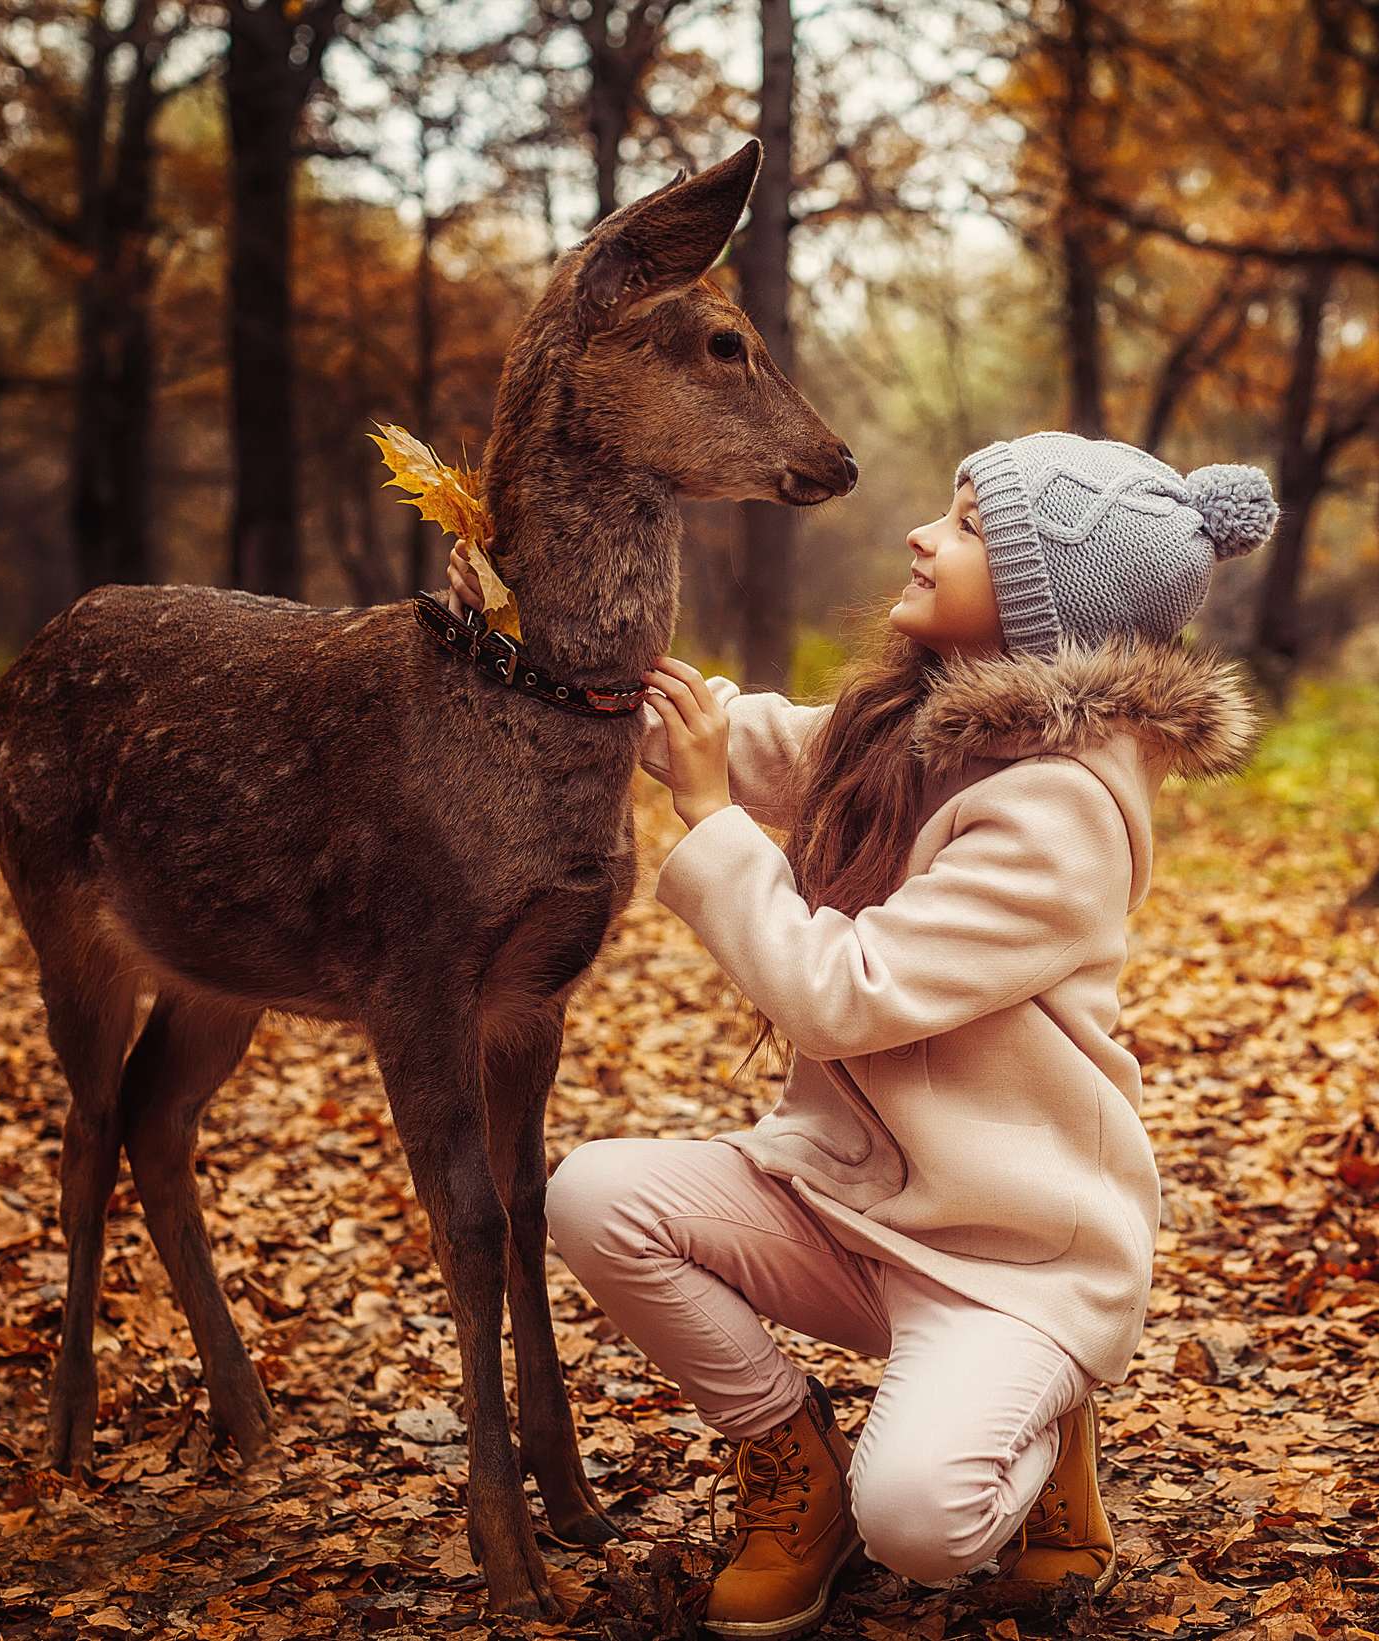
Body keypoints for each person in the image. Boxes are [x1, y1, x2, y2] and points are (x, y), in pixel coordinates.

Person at [446, 431, 1274, 1638]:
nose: (920, 537)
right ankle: (794, 1468)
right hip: (849, 1209)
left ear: (1045, 607)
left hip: (1010, 1259)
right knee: (594, 1198)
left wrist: (708, 821)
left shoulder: (1058, 816)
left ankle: (1042, 1420)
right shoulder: (914, 724)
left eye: (970, 528)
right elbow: (741, 734)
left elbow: (840, 992)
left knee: (927, 1529)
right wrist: (543, 637)